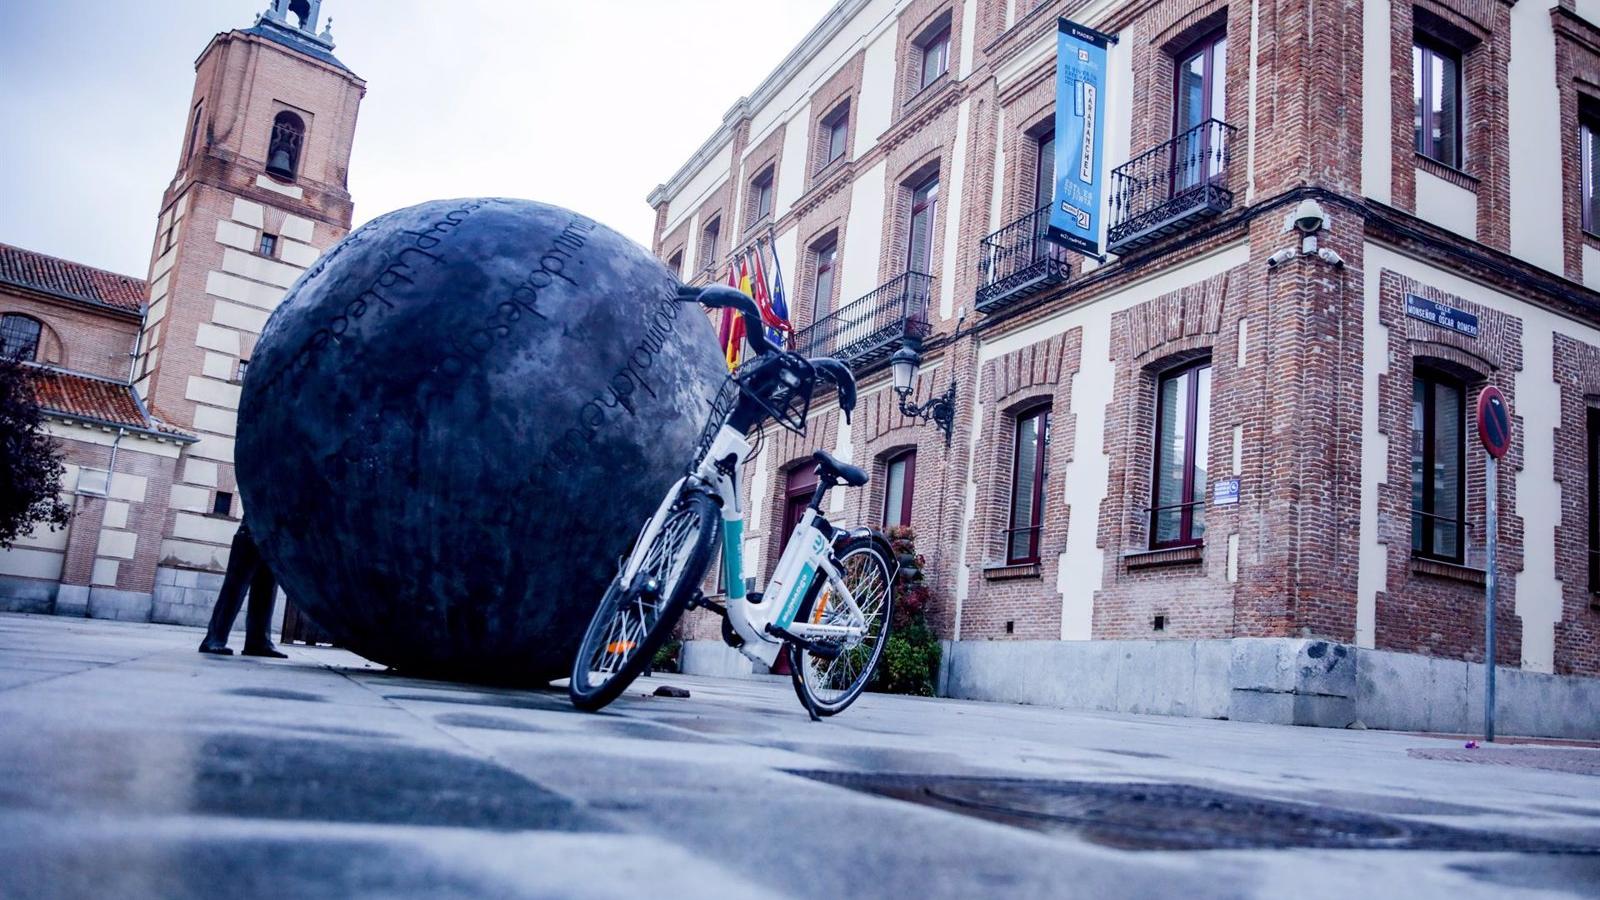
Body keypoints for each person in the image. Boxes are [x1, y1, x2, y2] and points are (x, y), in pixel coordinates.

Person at [197, 520, 287, 658]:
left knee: (266, 593)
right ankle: (213, 639)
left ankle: (258, 643)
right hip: (250, 533)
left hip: (274, 538)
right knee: (234, 590)